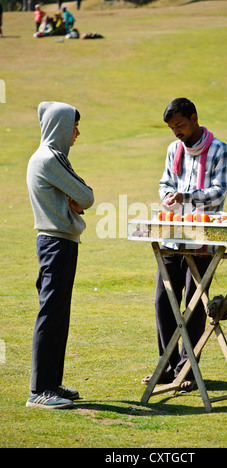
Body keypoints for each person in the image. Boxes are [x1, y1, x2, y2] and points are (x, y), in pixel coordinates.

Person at [142, 98, 227, 391]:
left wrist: (187, 197)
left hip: (203, 239)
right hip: (171, 235)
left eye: (180, 125)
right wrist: (169, 195)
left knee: (194, 306)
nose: (176, 132)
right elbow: (165, 183)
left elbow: (218, 194)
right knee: (163, 301)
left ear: (194, 118)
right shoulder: (173, 150)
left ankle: (188, 370)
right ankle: (167, 367)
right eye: (171, 128)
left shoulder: (220, 150)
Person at [26, 102, 94, 409]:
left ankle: (51, 384)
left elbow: (78, 197)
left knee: (57, 316)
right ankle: (39, 391)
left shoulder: (50, 158)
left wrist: (76, 197)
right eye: (74, 127)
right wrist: (77, 198)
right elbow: (86, 196)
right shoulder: (51, 159)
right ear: (62, 127)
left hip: (58, 242)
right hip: (56, 243)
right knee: (51, 315)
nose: (77, 133)